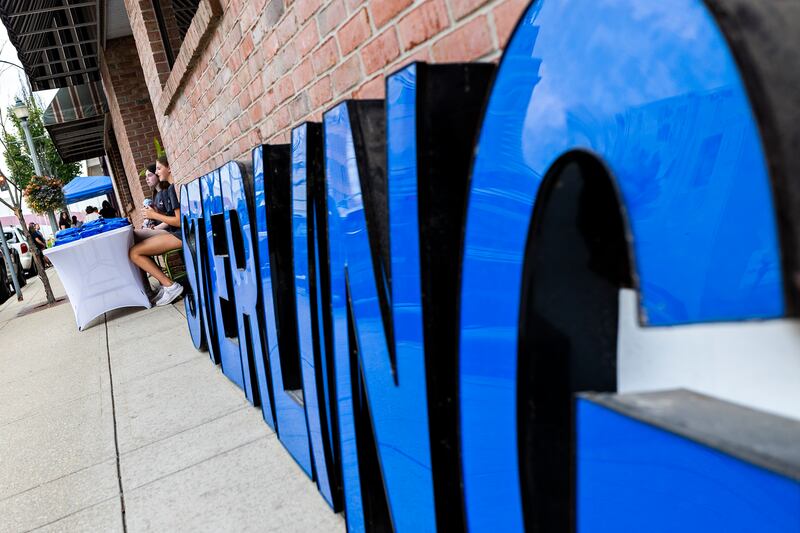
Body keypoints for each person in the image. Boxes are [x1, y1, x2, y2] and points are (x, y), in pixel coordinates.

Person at [129, 156, 184, 306]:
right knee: (134, 238)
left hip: (181, 234)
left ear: (169, 168)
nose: (157, 172)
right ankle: (157, 287)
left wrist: (154, 215)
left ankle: (170, 286)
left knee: (134, 252)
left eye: (159, 169)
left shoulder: (172, 189)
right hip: (175, 232)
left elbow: (179, 221)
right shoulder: (171, 188)